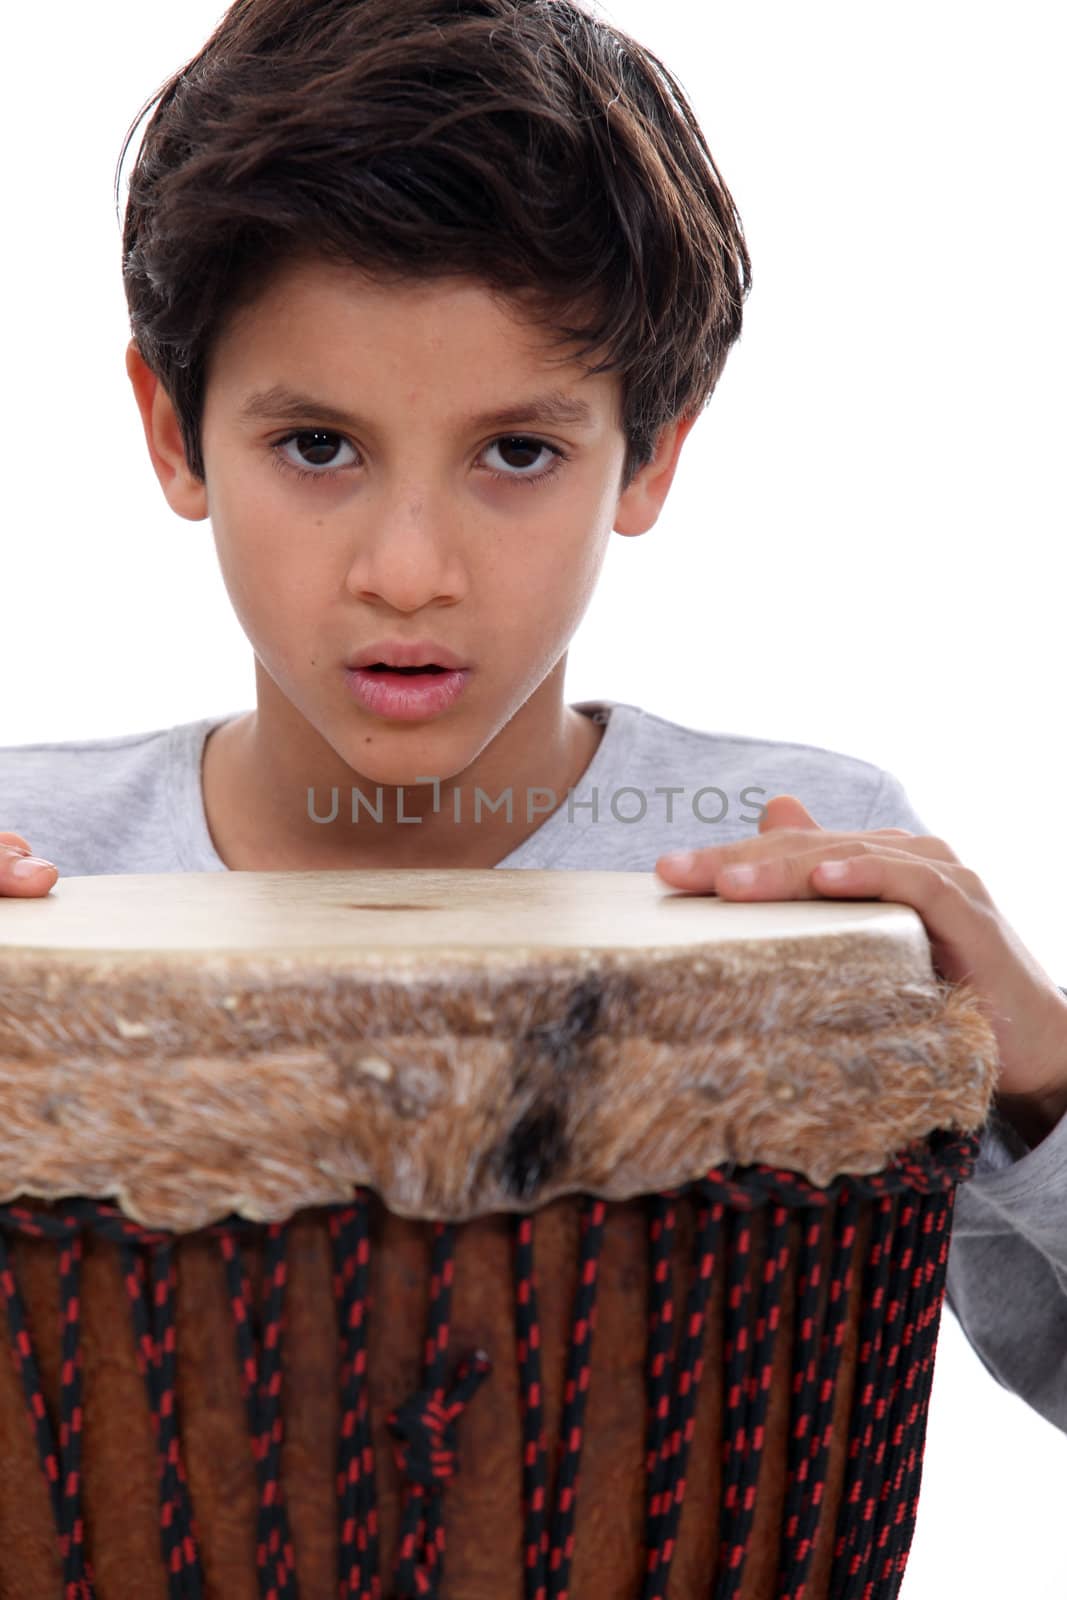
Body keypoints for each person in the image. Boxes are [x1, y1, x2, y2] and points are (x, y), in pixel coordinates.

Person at [2, 0, 1064, 1446]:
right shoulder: (35, 868)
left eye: (518, 452)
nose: (408, 571)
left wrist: (1047, 1082)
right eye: (317, 447)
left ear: (651, 454)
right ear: (173, 431)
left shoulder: (796, 861)